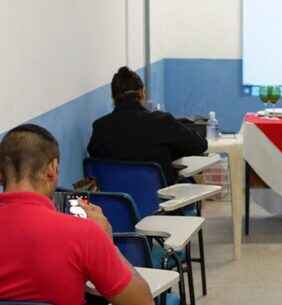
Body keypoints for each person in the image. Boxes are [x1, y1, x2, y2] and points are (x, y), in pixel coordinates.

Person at [0, 124, 154, 305]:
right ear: (52, 169)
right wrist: (106, 242)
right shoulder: (84, 233)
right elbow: (142, 302)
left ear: (1, 174)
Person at [88, 66, 207, 184]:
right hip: (160, 199)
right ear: (142, 93)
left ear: (113, 97)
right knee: (188, 182)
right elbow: (199, 145)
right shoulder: (161, 121)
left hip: (115, 200)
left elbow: (97, 157)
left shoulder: (100, 127)